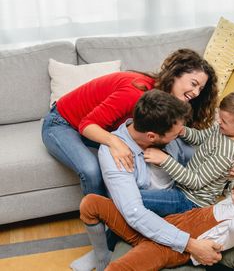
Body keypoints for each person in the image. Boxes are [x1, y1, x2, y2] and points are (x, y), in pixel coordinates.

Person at [41, 48, 219, 196]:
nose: (196, 93)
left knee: (184, 150)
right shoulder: (135, 92)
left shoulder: (170, 103)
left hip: (96, 125)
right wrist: (115, 142)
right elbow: (87, 125)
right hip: (63, 122)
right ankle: (103, 220)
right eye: (193, 83)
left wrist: (226, 164)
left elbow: (187, 140)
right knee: (91, 170)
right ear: (175, 75)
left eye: (200, 89)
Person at [89, 89, 223, 269]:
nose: (179, 135)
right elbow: (134, 213)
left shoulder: (167, 128)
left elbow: (199, 157)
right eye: (175, 135)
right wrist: (190, 244)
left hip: (181, 209)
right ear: (152, 136)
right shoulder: (114, 155)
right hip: (145, 223)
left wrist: (228, 167)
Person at [79, 173, 234, 271]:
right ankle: (101, 256)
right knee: (91, 203)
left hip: (166, 249)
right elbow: (228, 186)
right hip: (155, 227)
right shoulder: (232, 203)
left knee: (118, 268)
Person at [141, 89, 234, 216]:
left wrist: (164, 160)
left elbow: (196, 182)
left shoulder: (226, 153)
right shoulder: (224, 130)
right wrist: (182, 130)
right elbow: (200, 137)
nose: (218, 121)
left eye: (224, 121)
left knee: (136, 198)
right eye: (220, 116)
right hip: (181, 187)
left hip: (190, 201)